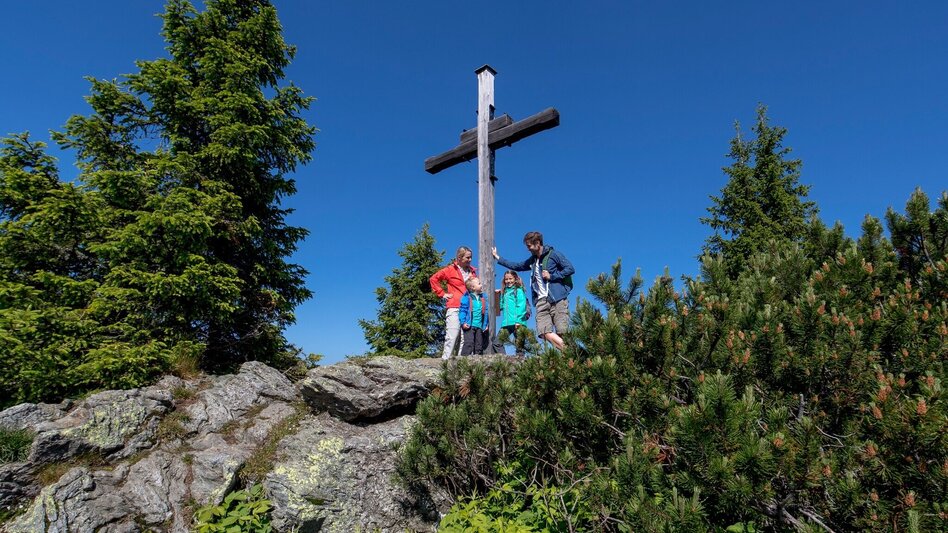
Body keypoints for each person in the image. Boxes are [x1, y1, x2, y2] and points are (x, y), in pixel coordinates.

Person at [493, 231, 574, 351]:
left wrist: (552, 276)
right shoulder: (532, 261)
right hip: (541, 301)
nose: (528, 249)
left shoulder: (554, 255)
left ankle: (571, 357)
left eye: (529, 245)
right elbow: (517, 266)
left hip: (557, 299)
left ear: (537, 243)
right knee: (543, 332)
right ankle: (571, 352)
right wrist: (498, 257)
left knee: (562, 332)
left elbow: (570, 268)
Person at [429, 246, 477, 359]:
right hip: (455, 306)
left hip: (468, 308)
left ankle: (461, 365)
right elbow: (433, 279)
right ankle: (445, 364)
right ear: (459, 258)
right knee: (452, 335)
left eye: (471, 257)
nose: (470, 260)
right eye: (467, 257)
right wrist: (442, 293)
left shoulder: (473, 272)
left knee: (465, 339)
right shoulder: (450, 269)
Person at [497, 270, 530, 356]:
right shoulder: (505, 292)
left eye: (510, 278)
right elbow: (501, 306)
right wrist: (499, 294)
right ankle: (504, 362)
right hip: (506, 323)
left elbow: (521, 306)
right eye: (506, 279)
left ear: (515, 279)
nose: (508, 281)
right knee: (497, 343)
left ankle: (520, 365)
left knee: (519, 346)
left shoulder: (518, 290)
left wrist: (518, 320)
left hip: (518, 322)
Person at [458, 277, 487, 356]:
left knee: (479, 345)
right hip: (469, 325)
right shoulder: (467, 298)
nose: (481, 285)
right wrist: (463, 322)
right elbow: (463, 310)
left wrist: (485, 325)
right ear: (473, 287)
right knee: (469, 343)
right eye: (479, 283)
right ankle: (463, 362)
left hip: (479, 326)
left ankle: (478, 364)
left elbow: (486, 312)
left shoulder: (483, 298)